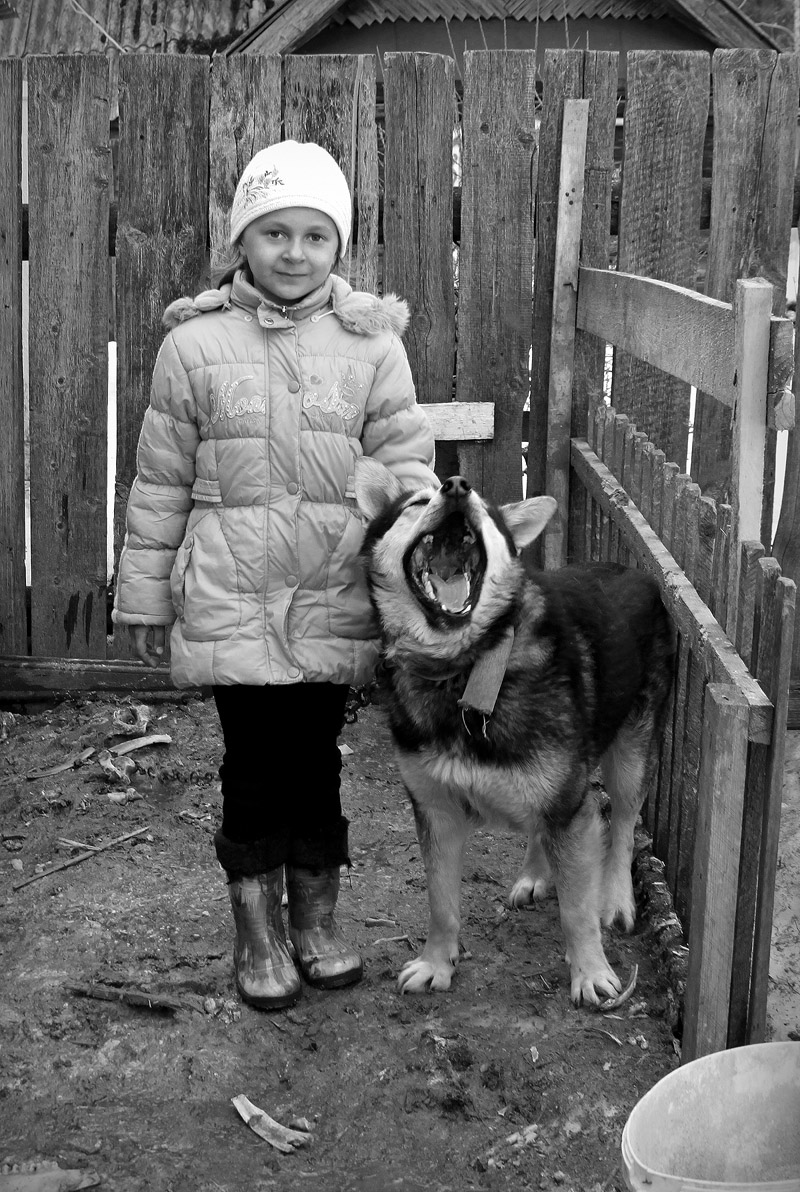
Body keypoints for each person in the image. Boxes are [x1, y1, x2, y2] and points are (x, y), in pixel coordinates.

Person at [113, 140, 437, 1010]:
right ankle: (256, 939)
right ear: (241, 240)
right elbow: (161, 481)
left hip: (332, 597)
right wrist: (143, 594)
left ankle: (316, 925)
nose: (294, 253)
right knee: (253, 768)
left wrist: (415, 567)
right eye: (275, 233)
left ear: (340, 247)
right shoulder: (194, 345)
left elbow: (406, 466)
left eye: (315, 236)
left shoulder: (373, 347)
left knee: (319, 764)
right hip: (233, 597)